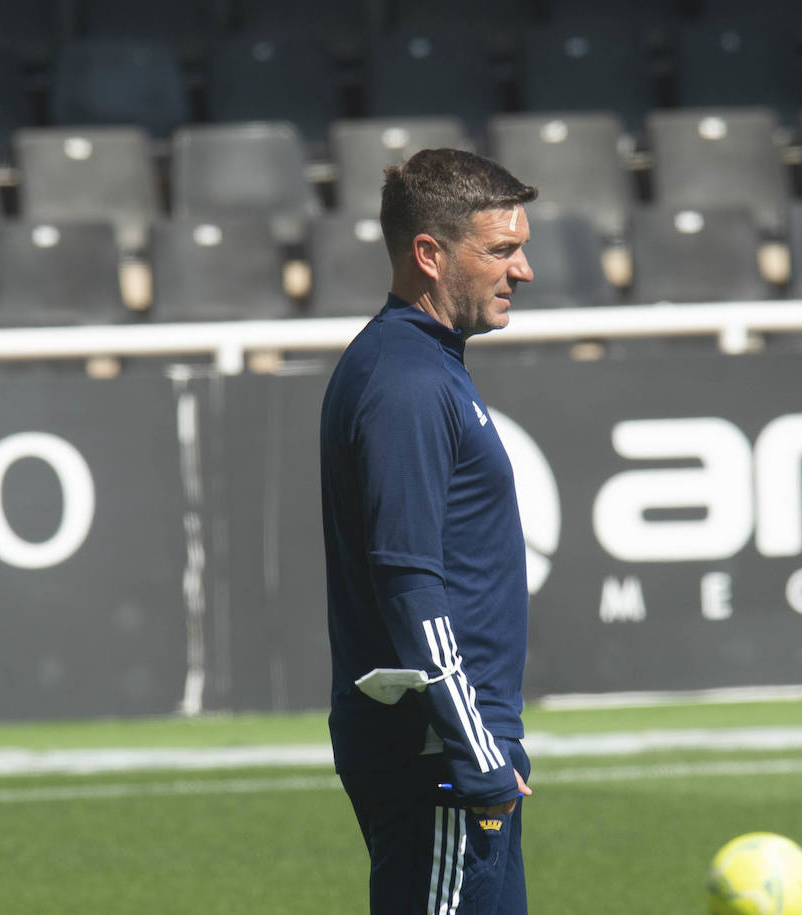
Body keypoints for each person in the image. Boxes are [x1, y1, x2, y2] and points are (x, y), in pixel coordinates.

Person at [320, 147, 537, 914]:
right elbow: (408, 579)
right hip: (437, 751)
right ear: (429, 254)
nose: (523, 271)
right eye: (502, 250)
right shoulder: (406, 381)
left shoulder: (424, 364)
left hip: (452, 744)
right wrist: (476, 754)